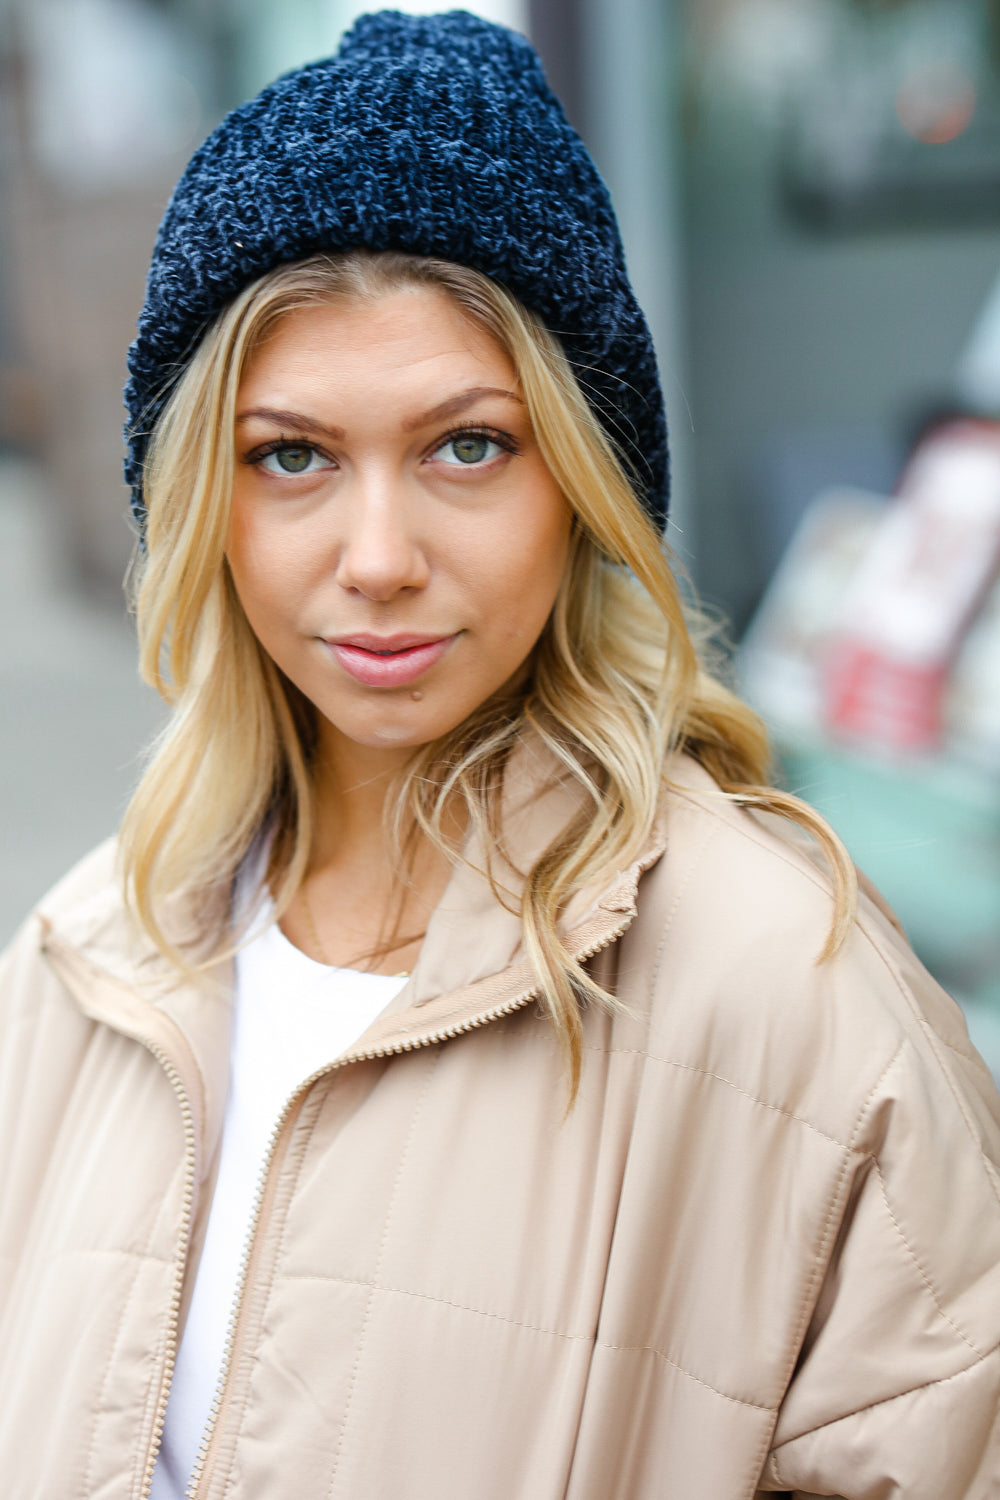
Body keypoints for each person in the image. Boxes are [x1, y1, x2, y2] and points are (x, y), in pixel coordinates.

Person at [1, 11, 998, 1498]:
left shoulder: (797, 1000)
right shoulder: (89, 961)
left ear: (583, 488)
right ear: (206, 497)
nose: (381, 558)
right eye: (293, 457)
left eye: (468, 445)